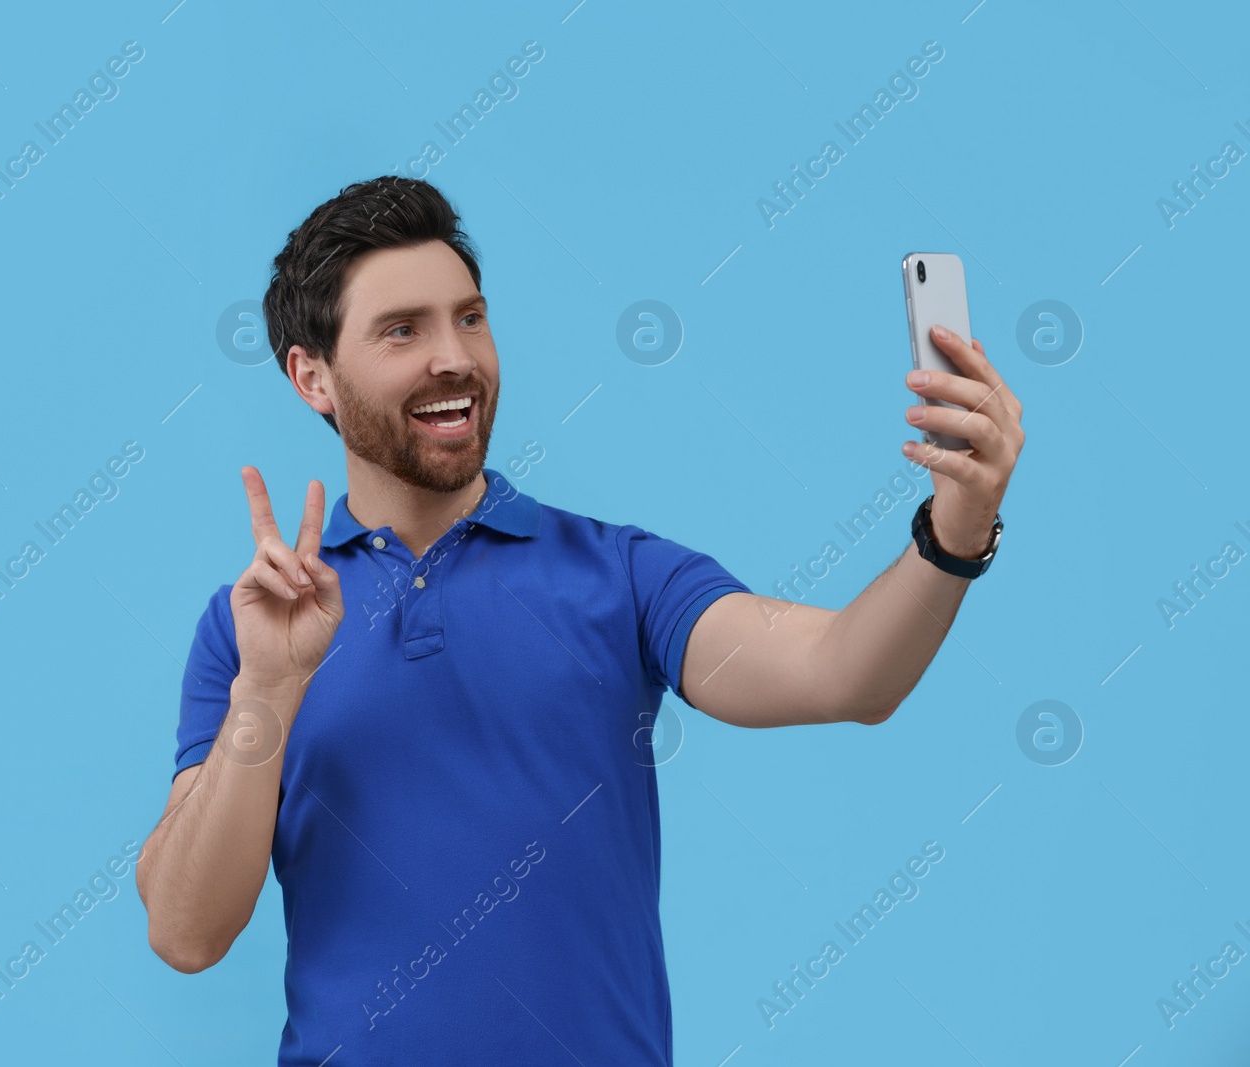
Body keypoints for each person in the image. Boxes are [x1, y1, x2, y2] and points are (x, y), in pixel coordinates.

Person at [134, 176, 1024, 1064]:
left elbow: (844, 673)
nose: (455, 357)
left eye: (470, 318)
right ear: (312, 376)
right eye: (403, 330)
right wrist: (272, 684)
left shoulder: (621, 576)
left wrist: (954, 530)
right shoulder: (251, 630)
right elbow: (185, 931)